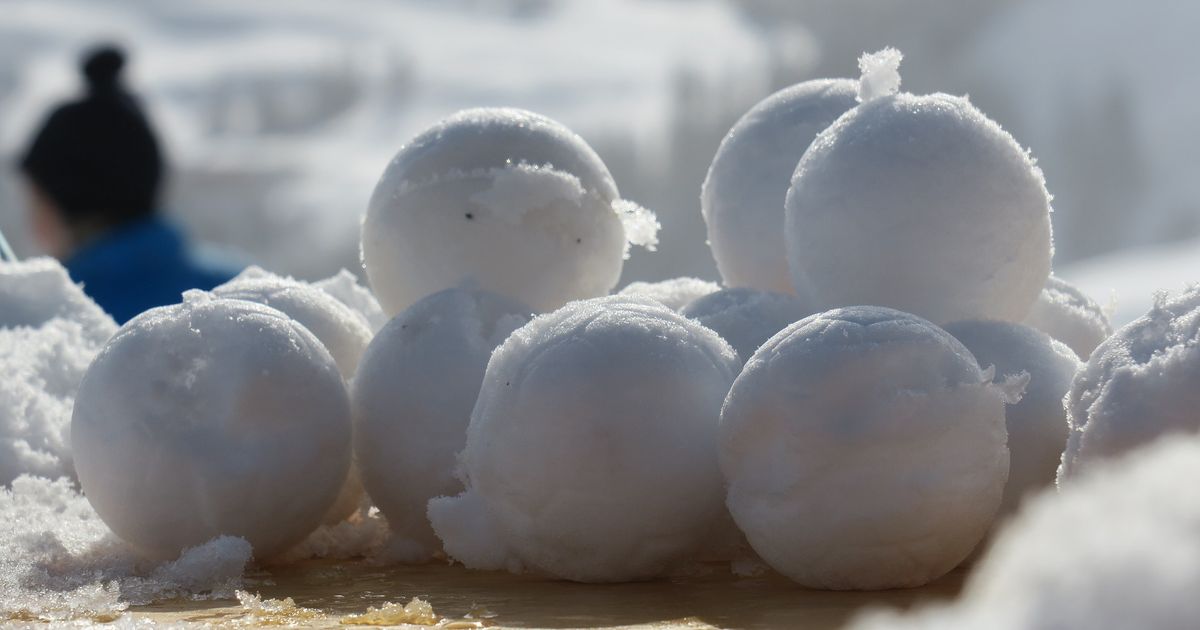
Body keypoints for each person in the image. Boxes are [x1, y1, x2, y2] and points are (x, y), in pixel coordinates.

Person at [18, 44, 241, 323]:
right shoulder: (245, 287)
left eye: (37, 198)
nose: (31, 219)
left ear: (65, 204)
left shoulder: (53, 317)